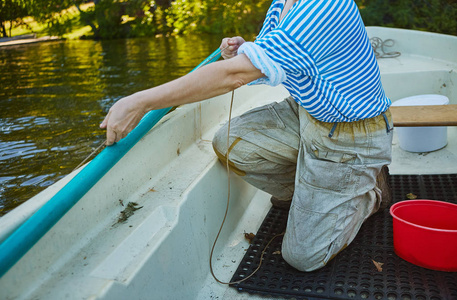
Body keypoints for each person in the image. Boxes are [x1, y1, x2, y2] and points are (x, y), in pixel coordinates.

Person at [101, 0, 393, 272]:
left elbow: (235, 76)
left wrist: (140, 101)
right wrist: (245, 50)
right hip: (306, 113)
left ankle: (369, 190)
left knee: (303, 258)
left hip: (351, 136)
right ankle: (316, 192)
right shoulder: (283, 3)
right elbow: (270, 62)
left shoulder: (324, 7)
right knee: (228, 143)